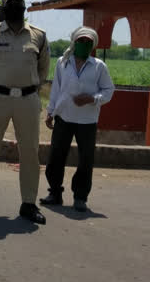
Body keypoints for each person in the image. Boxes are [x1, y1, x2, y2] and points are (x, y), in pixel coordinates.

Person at [0, 0, 50, 224]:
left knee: (30, 153)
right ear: (4, 9)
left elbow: (43, 69)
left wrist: (32, 87)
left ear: (24, 8)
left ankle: (28, 204)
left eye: (19, 3)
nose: (15, 6)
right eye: (11, 3)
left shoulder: (38, 35)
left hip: (27, 100)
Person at [40, 26, 114, 212]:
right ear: (74, 42)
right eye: (81, 40)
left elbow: (108, 91)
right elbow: (56, 89)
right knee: (56, 155)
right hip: (64, 116)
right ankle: (55, 192)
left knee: (85, 159)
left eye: (88, 42)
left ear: (93, 45)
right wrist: (50, 112)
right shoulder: (63, 63)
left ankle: (80, 197)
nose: (84, 44)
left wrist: (92, 99)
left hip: (87, 120)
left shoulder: (98, 66)